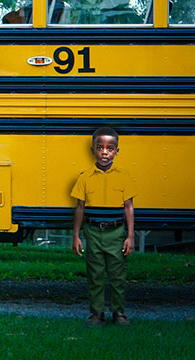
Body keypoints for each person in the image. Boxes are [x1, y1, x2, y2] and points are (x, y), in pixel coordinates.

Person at [71, 126, 136, 327]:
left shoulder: (124, 176)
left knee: (118, 275)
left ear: (117, 151)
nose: (104, 152)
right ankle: (97, 314)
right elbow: (80, 208)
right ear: (93, 150)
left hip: (116, 233)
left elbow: (129, 207)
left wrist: (130, 236)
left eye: (110, 148)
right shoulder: (84, 177)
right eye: (100, 148)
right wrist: (76, 235)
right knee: (95, 274)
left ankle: (119, 313)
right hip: (93, 232)